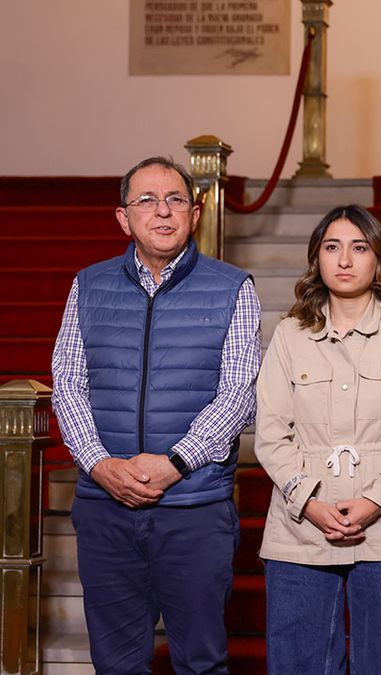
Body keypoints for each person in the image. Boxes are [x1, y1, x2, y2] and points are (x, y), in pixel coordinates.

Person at [50, 156, 260, 674]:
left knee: (201, 661)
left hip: (194, 507)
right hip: (106, 509)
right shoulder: (88, 286)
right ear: (123, 218)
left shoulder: (233, 286)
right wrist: (100, 464)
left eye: (175, 200)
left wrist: (175, 463)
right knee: (117, 664)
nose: (162, 212)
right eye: (146, 200)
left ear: (195, 211)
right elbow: (68, 383)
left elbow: (238, 393)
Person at [255, 205, 381, 674]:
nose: (344, 259)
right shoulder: (289, 335)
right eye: (332, 247)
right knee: (298, 663)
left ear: (378, 259)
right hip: (300, 527)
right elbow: (271, 432)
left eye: (359, 247)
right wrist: (310, 501)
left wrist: (376, 500)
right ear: (316, 258)